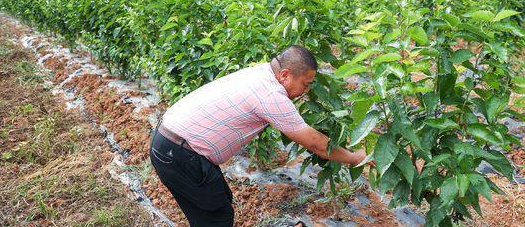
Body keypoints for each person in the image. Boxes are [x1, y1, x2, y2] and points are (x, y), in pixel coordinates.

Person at [150, 45, 368, 226]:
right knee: (216, 217)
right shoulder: (271, 95)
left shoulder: (260, 73)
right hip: (180, 153)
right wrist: (356, 157)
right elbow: (316, 143)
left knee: (216, 206)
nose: (306, 91)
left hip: (170, 143)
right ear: (285, 75)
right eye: (305, 84)